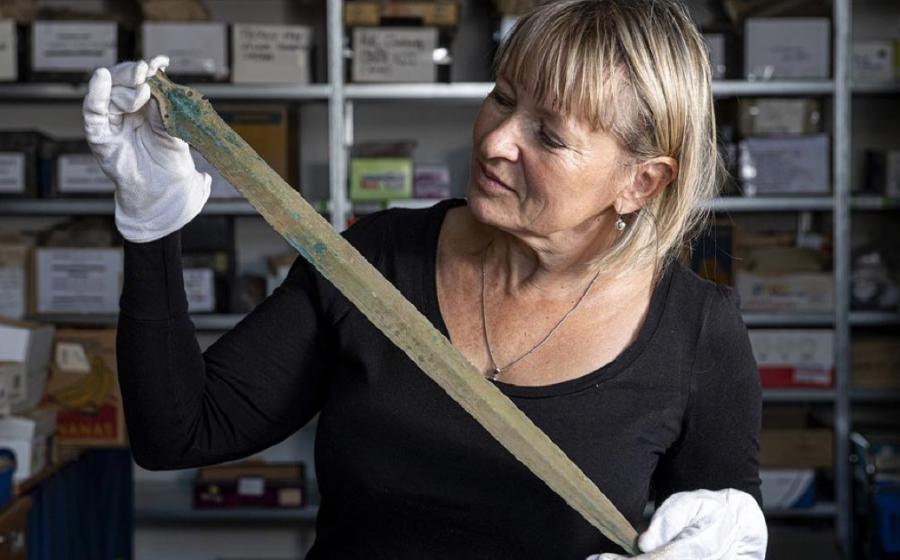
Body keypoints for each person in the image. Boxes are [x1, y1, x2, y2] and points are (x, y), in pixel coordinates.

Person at [83, 0, 768, 558]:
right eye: (501, 98)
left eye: (549, 135)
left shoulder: (697, 332)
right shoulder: (377, 259)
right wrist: (151, 227)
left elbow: (714, 528)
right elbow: (178, 433)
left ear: (641, 182)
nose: (496, 140)